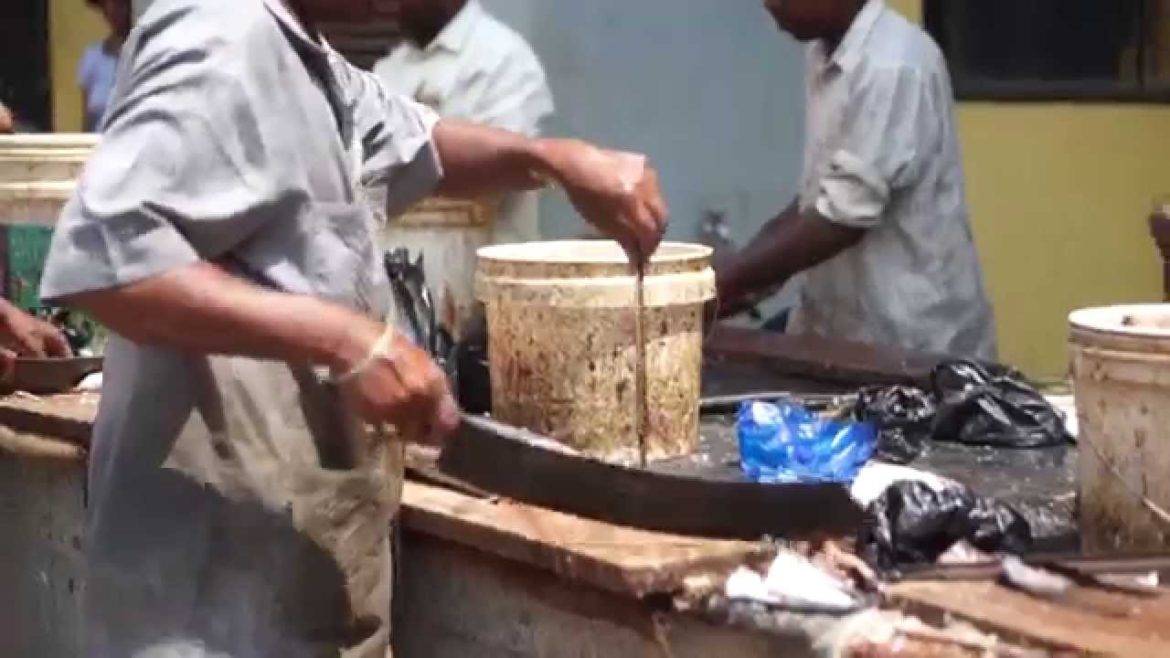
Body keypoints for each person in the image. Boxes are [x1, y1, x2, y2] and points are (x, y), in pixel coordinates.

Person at [39, 0, 665, 656]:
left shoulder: (308, 54)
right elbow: (105, 258)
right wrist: (346, 343)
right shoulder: (220, 32)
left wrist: (554, 159)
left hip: (291, 580)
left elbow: (419, 144)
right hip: (210, 611)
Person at [715, 0, 996, 359]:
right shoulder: (825, 54)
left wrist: (726, 283)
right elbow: (817, 198)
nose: (769, 5)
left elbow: (840, 220)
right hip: (844, 331)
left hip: (911, 346)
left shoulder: (892, 64)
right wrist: (739, 276)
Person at [374, 0, 554, 245]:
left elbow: (506, 168)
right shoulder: (389, 69)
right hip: (397, 273)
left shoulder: (504, 57)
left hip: (484, 271)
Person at [78, 0, 132, 131]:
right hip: (100, 146)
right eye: (108, 4)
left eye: (121, 4)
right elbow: (88, 119)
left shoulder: (144, 54)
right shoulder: (92, 57)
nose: (114, 10)